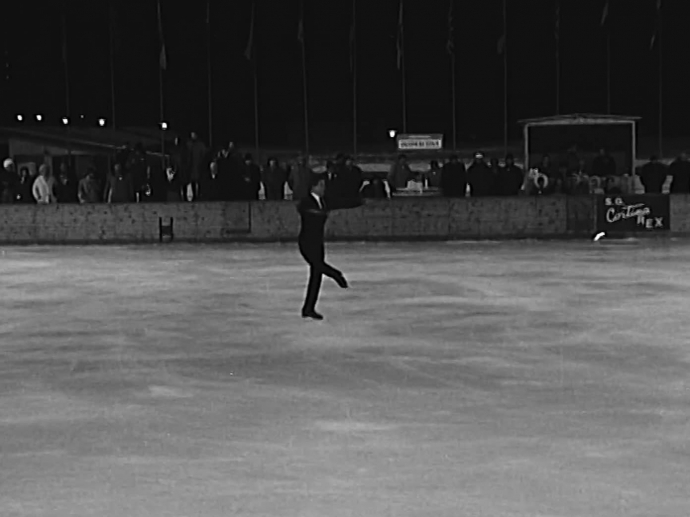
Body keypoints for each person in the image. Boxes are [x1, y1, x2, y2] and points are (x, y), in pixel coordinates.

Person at [297, 174, 361, 320]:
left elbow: (342, 202)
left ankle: (308, 308)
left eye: (324, 185)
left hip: (318, 242)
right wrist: (321, 213)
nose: (323, 188)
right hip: (306, 242)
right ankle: (336, 275)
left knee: (316, 276)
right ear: (313, 187)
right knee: (318, 266)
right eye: (321, 185)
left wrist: (360, 201)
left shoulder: (324, 202)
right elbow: (303, 209)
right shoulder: (306, 202)